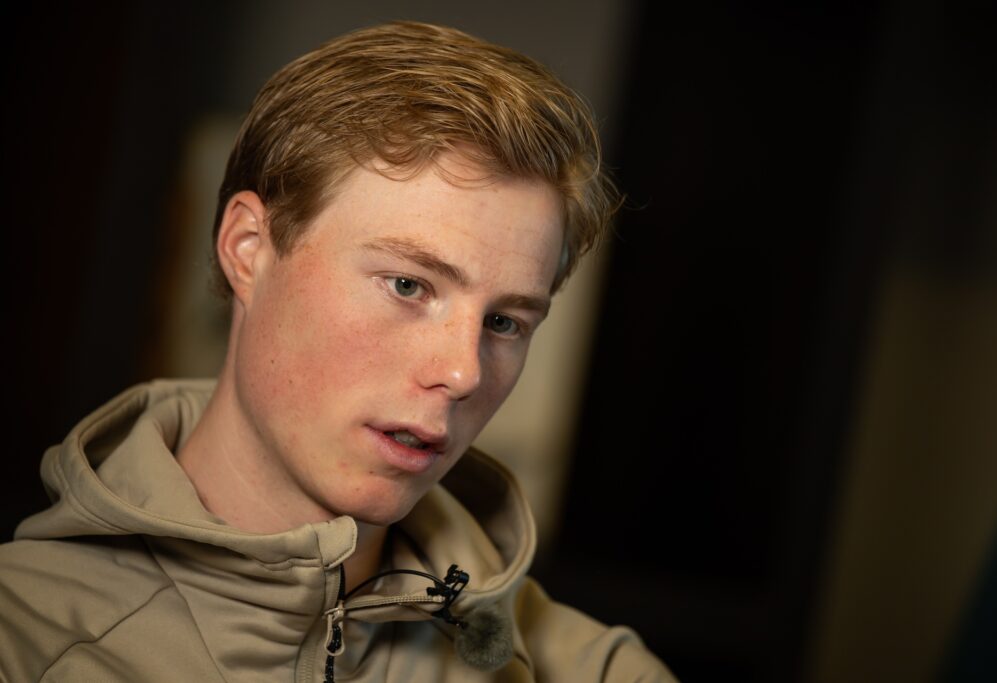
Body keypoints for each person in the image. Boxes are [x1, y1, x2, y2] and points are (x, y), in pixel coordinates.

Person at [0, 21, 676, 682]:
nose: (463, 371)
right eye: (408, 285)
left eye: (504, 321)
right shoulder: (23, 642)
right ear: (248, 248)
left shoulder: (596, 670)